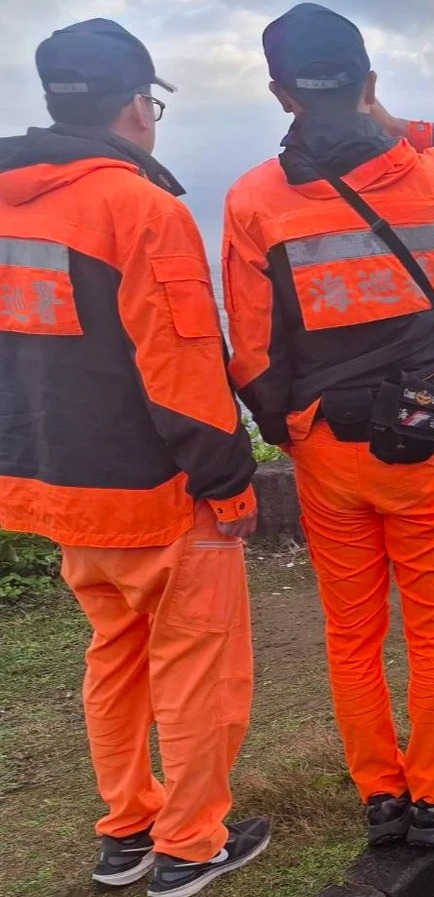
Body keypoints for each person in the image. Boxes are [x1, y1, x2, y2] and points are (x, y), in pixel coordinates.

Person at [222, 2, 434, 849]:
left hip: (325, 448)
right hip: (422, 442)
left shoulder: (253, 201)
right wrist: (406, 124)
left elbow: (250, 351)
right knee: (431, 625)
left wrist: (291, 431)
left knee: (351, 630)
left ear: (281, 94)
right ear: (369, 82)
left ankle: (381, 794)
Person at [0, 18, 267, 896]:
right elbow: (184, 368)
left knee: (113, 652)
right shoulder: (140, 208)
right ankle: (192, 845)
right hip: (156, 491)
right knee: (196, 666)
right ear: (136, 107)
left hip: (54, 484)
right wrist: (229, 478)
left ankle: (127, 832)